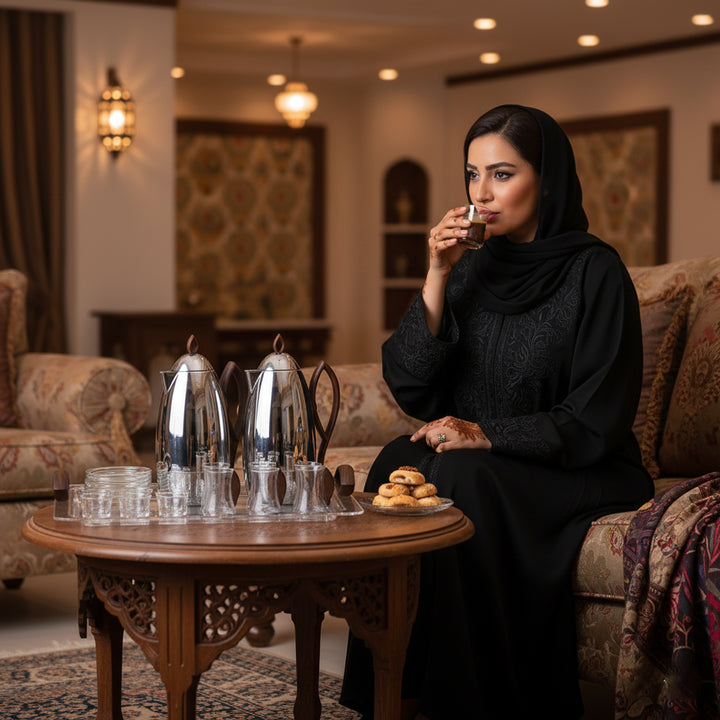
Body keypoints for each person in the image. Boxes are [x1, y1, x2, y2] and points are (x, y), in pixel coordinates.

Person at [339, 104, 654, 719]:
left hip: (578, 464)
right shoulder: (471, 269)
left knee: (460, 480)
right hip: (483, 460)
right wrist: (435, 272)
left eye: (502, 175)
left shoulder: (596, 271)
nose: (481, 194)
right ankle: (390, 690)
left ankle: (470, 701)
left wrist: (485, 434)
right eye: (471, 174)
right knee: (397, 461)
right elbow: (411, 385)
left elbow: (598, 415)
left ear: (547, 178)